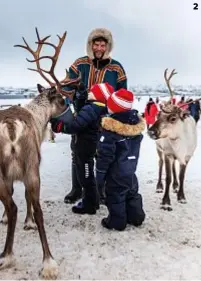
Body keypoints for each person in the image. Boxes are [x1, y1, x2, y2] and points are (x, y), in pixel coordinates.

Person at [64, 28, 128, 204]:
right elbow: (67, 87)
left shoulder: (116, 68)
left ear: (107, 46)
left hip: (105, 118)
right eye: (96, 44)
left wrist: (119, 114)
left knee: (102, 154)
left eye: (102, 45)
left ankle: (100, 190)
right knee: (77, 153)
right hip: (82, 116)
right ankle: (76, 189)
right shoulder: (79, 64)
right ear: (90, 45)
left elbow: (123, 92)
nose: (99, 48)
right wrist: (72, 99)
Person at [51, 83, 113, 214]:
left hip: (84, 148)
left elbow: (76, 125)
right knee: (87, 176)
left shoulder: (91, 109)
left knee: (86, 178)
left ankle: (89, 206)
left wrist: (60, 126)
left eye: (92, 91)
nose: (89, 92)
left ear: (97, 95)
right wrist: (79, 97)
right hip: (87, 146)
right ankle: (93, 202)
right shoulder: (98, 108)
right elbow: (82, 116)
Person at [96, 88, 146, 231]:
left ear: (114, 108)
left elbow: (105, 156)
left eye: (110, 104)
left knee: (115, 195)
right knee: (131, 192)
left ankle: (116, 222)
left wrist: (100, 174)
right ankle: (136, 218)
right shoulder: (134, 126)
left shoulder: (110, 131)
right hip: (130, 169)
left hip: (115, 173)